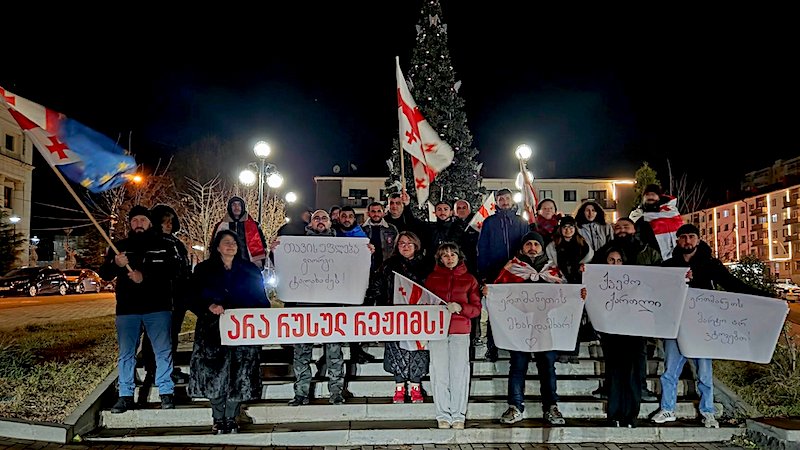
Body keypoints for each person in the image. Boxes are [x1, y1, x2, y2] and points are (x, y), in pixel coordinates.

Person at [652, 224, 771, 428]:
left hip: (703, 327)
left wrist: (767, 298)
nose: (687, 241)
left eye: (691, 237)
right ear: (677, 241)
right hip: (677, 326)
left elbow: (732, 285)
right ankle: (667, 409)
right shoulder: (668, 266)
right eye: (683, 237)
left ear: (698, 240)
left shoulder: (710, 264)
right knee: (670, 370)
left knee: (704, 373)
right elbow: (656, 291)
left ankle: (708, 412)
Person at [98, 205, 180, 413]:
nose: (138, 224)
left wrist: (145, 276)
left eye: (142, 220)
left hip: (158, 307)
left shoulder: (164, 245)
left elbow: (174, 270)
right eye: (134, 221)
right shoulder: (119, 247)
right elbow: (105, 274)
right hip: (128, 309)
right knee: (126, 353)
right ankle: (125, 395)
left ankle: (166, 393)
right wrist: (116, 263)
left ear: (150, 222)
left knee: (163, 351)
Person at [188, 229, 270, 435]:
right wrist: (209, 306)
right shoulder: (204, 269)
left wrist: (258, 318)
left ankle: (231, 417)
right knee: (214, 373)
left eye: (234, 242)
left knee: (239, 374)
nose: (230, 245)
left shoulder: (250, 270)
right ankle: (218, 417)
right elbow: (191, 296)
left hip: (243, 330)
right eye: (226, 242)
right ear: (217, 247)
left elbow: (261, 299)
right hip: (212, 330)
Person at [593, 218, 663, 427]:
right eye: (611, 261)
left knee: (632, 372)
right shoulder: (603, 267)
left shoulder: (643, 257)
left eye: (618, 261)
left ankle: (631, 414)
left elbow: (661, 277)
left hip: (634, 327)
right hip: (611, 329)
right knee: (615, 372)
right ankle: (614, 414)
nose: (614, 264)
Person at [494, 231, 568, 426]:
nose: (532, 247)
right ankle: (515, 407)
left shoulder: (552, 271)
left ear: (542, 248)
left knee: (547, 368)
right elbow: (499, 290)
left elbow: (565, 295)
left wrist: (579, 295)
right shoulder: (512, 268)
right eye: (528, 244)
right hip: (519, 327)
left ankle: (551, 407)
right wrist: (489, 291)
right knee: (518, 366)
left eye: (536, 244)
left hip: (546, 327)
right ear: (522, 248)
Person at [283, 210, 346, 406]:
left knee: (334, 354)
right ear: (310, 224)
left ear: (330, 223)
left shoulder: (343, 247)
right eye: (316, 218)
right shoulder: (297, 245)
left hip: (332, 307)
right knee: (301, 353)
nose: (320, 221)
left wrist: (365, 252)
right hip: (305, 307)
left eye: (324, 218)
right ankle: (301, 393)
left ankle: (336, 392)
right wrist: (276, 250)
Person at [365, 231, 431, 403]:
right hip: (394, 315)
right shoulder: (388, 265)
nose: (406, 246)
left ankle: (416, 386)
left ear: (416, 245)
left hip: (419, 316)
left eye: (409, 243)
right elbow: (376, 286)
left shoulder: (427, 265)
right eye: (402, 243)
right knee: (396, 350)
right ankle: (399, 387)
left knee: (418, 350)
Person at [424, 242, 482, 429]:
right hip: (437, 332)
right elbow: (424, 304)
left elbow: (476, 309)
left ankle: (458, 415)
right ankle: (442, 414)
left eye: (452, 254)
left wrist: (461, 308)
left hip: (460, 331)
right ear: (440, 259)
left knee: (459, 374)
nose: (449, 258)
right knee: (439, 373)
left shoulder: (470, 280)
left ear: (459, 257)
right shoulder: (432, 279)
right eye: (445, 255)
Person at [140, 204, 193, 385]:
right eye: (164, 221)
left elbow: (184, 269)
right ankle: (153, 368)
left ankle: (169, 368)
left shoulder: (176, 243)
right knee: (153, 334)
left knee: (172, 333)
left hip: (178, 296)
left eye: (171, 221)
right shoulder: (150, 242)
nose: (168, 225)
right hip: (157, 297)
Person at [477, 188, 529, 361]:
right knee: (495, 312)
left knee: (518, 310)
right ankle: (492, 347)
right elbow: (482, 248)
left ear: (512, 200)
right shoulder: (489, 222)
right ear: (496, 202)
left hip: (516, 274)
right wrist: (484, 274)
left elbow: (526, 247)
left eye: (507, 198)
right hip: (495, 274)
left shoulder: (521, 221)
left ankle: (519, 345)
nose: (505, 201)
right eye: (501, 199)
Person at [545, 215, 593, 364]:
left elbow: (589, 260)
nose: (568, 230)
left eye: (570, 227)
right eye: (565, 227)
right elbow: (550, 264)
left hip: (576, 287)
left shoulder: (583, 244)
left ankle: (573, 351)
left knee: (575, 320)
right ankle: (561, 350)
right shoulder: (553, 246)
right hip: (560, 286)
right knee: (560, 319)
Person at [335, 206, 375, 364]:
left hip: (356, 284)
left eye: (350, 216)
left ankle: (355, 350)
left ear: (354, 218)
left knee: (355, 318)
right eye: (343, 216)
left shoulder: (362, 236)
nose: (346, 219)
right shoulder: (333, 234)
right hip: (335, 284)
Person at [629, 184, 683, 260]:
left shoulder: (671, 212)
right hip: (651, 256)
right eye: (647, 194)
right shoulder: (637, 215)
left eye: (653, 194)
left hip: (674, 255)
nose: (650, 197)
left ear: (659, 196)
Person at [212, 196, 268, 268]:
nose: (236, 207)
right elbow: (214, 245)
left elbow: (263, 244)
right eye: (234, 205)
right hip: (226, 265)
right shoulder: (221, 226)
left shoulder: (254, 225)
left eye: (239, 205)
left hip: (248, 265)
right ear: (230, 207)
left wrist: (260, 262)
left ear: (243, 207)